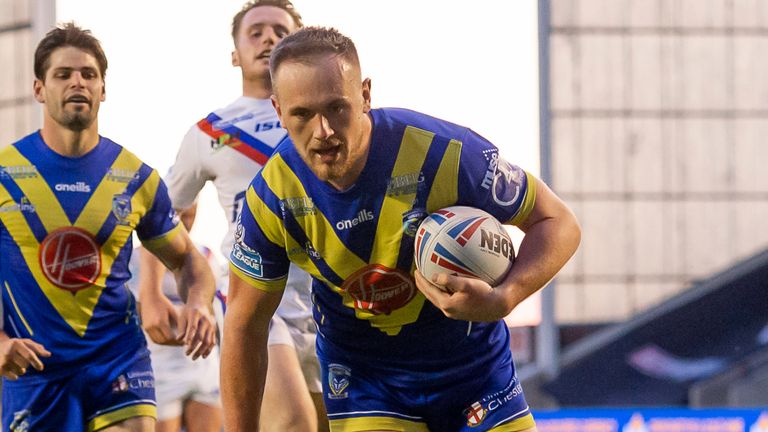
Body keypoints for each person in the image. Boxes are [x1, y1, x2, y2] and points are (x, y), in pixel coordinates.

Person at [222, 27, 582, 432]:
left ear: (365, 95)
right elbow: (244, 324)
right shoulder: (272, 197)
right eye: (302, 114)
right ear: (277, 110)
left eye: (336, 108)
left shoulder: (446, 151)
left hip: (477, 374)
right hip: (366, 380)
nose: (322, 130)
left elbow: (559, 221)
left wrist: (507, 296)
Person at [0, 23, 217, 432]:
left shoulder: (137, 177)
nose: (77, 82)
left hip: (118, 360)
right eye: (63, 74)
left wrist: (199, 303)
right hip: (35, 369)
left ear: (103, 89)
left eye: (88, 74)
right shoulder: (5, 173)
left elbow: (187, 259)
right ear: (38, 89)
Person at [138, 1, 327, 431]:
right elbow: (157, 218)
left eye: (280, 29)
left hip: (333, 299)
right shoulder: (210, 132)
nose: (267, 38)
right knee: (295, 424)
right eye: (255, 31)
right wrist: (150, 294)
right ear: (234, 54)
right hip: (256, 298)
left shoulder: (330, 118)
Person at [128, 206, 223, 432]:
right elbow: (130, 311)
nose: (183, 223)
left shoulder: (206, 257)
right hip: (158, 368)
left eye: (190, 216)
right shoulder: (134, 260)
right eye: (179, 215)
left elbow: (214, 309)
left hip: (202, 365)